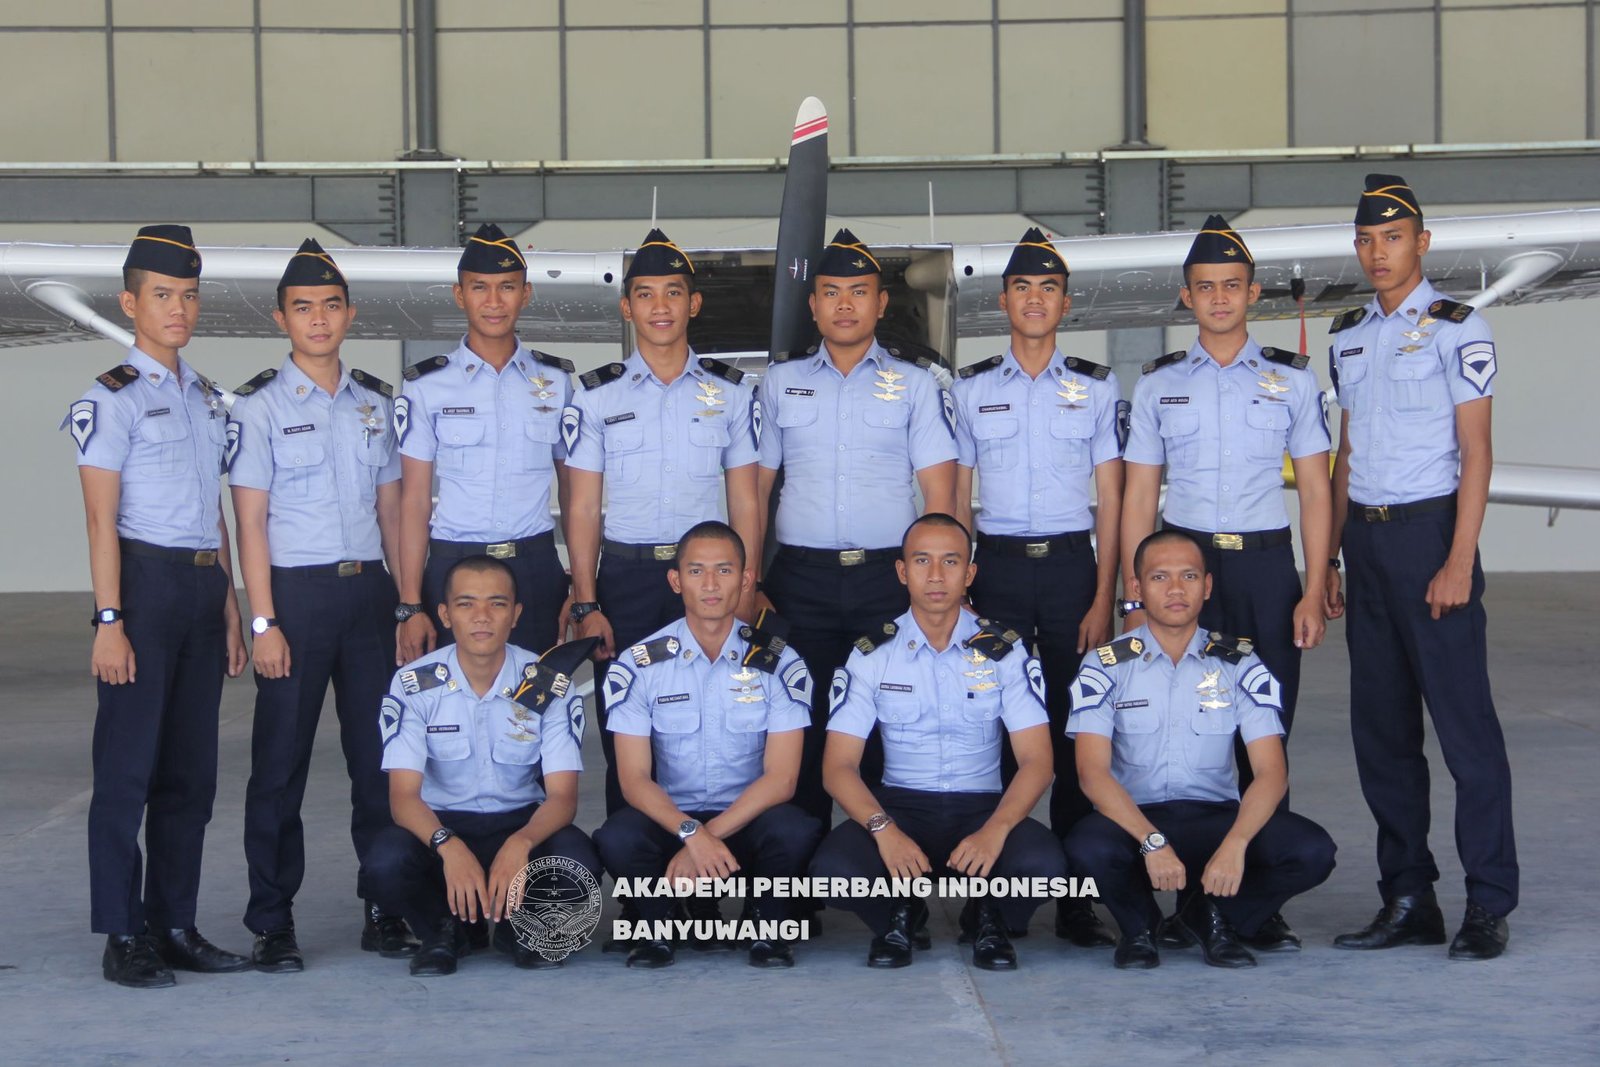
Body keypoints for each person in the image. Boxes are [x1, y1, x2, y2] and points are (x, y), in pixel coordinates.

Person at [1326, 174, 1517, 961]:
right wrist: (1332, 553)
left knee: (1466, 734)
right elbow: (1346, 452)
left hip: (1431, 538)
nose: (1378, 252)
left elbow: (1477, 451)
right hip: (1365, 547)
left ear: (1422, 243)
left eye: (1393, 237)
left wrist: (1459, 558)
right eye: (1367, 239)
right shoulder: (1347, 334)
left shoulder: (1457, 328)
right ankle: (1409, 897)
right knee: (1383, 737)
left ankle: (1488, 904)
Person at [64, 224, 250, 988]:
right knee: (127, 773)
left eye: (189, 295)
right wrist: (109, 620)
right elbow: (99, 521)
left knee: (191, 776)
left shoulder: (206, 397)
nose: (178, 309)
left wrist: (233, 603)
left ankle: (174, 922)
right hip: (142, 588)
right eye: (163, 295)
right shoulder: (110, 399)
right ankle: (122, 932)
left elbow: (215, 509)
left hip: (204, 589)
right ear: (130, 302)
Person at [226, 238, 415, 971]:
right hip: (296, 597)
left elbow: (395, 510)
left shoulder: (375, 404)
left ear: (350, 314)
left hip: (369, 592)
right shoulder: (262, 409)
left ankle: (385, 903)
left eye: (331, 306)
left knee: (380, 763)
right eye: (303, 308)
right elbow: (249, 521)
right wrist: (263, 620)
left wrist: (405, 604)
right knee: (279, 769)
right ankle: (273, 920)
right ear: (282, 318)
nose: (318, 320)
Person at [950, 226, 1123, 949]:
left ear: (1066, 302)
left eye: (1048, 287)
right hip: (995, 568)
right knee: (995, 729)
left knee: (1077, 730)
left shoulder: (1096, 385)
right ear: (1004, 301)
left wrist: (1104, 595)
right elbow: (958, 498)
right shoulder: (972, 387)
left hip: (1071, 571)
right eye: (1022, 287)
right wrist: (957, 592)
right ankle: (989, 890)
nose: (1034, 298)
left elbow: (1111, 499)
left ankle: (1077, 896)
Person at [754, 229, 958, 827]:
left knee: (891, 722)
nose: (845, 305)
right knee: (802, 720)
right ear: (813, 304)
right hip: (800, 581)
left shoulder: (917, 384)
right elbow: (756, 490)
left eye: (859, 292)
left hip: (888, 580)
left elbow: (940, 495)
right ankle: (802, 875)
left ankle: (889, 874)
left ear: (880, 303)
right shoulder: (777, 382)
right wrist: (750, 578)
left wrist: (938, 581)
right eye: (831, 293)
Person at [1063, 530, 1336, 970]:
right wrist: (1151, 841)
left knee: (1311, 850)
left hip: (1214, 817)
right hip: (1138, 820)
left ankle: (1210, 917)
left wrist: (1236, 844)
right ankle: (1140, 928)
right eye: (1159, 577)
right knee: (1085, 847)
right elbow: (1092, 774)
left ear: (1207, 587)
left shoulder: (1240, 663)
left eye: (1189, 576)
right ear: (1136, 588)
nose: (1175, 589)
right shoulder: (1105, 664)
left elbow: (1271, 772)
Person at [809, 514, 1066, 970]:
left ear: (969, 574)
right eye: (921, 560)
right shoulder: (872, 654)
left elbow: (1037, 761)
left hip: (982, 805)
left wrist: (996, 831)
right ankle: (901, 912)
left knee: (1046, 868)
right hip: (903, 805)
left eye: (950, 562)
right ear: (901, 571)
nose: (935, 575)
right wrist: (883, 831)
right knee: (833, 876)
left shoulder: (1004, 650)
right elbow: (838, 767)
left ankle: (988, 913)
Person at [563, 229, 760, 823]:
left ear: (693, 304)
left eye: (673, 293)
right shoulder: (595, 397)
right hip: (625, 581)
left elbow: (746, 501)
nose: (660, 307)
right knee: (627, 726)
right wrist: (584, 601)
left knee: (723, 721)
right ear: (628, 308)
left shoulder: (730, 392)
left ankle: (722, 852)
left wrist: (744, 585)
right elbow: (581, 509)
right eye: (645, 295)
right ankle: (642, 879)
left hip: (710, 582)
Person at [592, 520, 820, 969]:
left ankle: (764, 923)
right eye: (696, 571)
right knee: (618, 837)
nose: (711, 584)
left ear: (746, 578)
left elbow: (783, 779)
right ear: (676, 580)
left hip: (746, 818)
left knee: (796, 830)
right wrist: (690, 832)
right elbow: (633, 780)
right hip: (673, 818)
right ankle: (659, 924)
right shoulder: (639, 665)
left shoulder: (779, 661)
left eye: (724, 570)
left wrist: (708, 837)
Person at [367, 556, 602, 976]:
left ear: (516, 615)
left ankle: (523, 929)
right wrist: (447, 846)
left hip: (519, 822)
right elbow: (403, 798)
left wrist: (522, 842)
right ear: (444, 614)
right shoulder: (415, 685)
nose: (481, 617)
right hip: (443, 825)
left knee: (577, 861)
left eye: (496, 604)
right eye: (465, 604)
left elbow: (563, 799)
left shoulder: (545, 682)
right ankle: (444, 932)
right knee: (384, 862)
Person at [393, 222, 574, 664]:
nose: (494, 302)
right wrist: (411, 603)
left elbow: (575, 494)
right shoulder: (425, 386)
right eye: (480, 288)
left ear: (525, 294)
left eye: (507, 287)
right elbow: (414, 501)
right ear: (460, 295)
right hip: (454, 566)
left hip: (534, 565)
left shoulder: (557, 381)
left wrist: (581, 591)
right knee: (451, 704)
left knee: (534, 703)